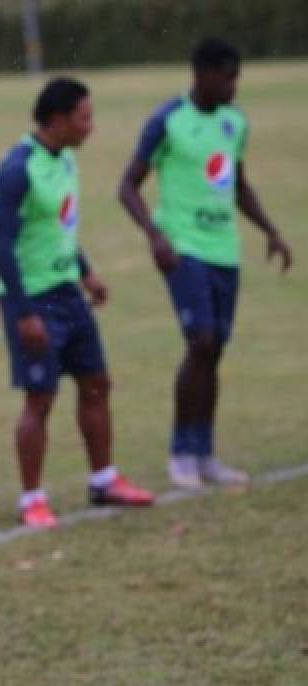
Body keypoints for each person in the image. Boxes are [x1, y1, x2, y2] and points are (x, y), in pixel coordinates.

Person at [118, 37, 293, 488]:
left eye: (237, 77)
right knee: (201, 340)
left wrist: (271, 231)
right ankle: (181, 452)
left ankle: (205, 454)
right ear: (201, 75)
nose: (234, 86)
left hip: (223, 250)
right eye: (227, 77)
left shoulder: (236, 124)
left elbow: (238, 185)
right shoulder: (167, 121)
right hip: (182, 247)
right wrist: (155, 236)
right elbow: (128, 186)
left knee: (214, 351)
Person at [0, 78, 155, 528]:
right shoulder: (17, 168)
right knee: (40, 398)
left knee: (96, 382)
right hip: (32, 297)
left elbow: (57, 227)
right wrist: (23, 312)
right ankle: (32, 500)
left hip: (67, 291)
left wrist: (86, 272)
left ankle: (104, 480)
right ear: (59, 120)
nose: (91, 127)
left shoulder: (63, 161)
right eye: (85, 118)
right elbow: (3, 247)